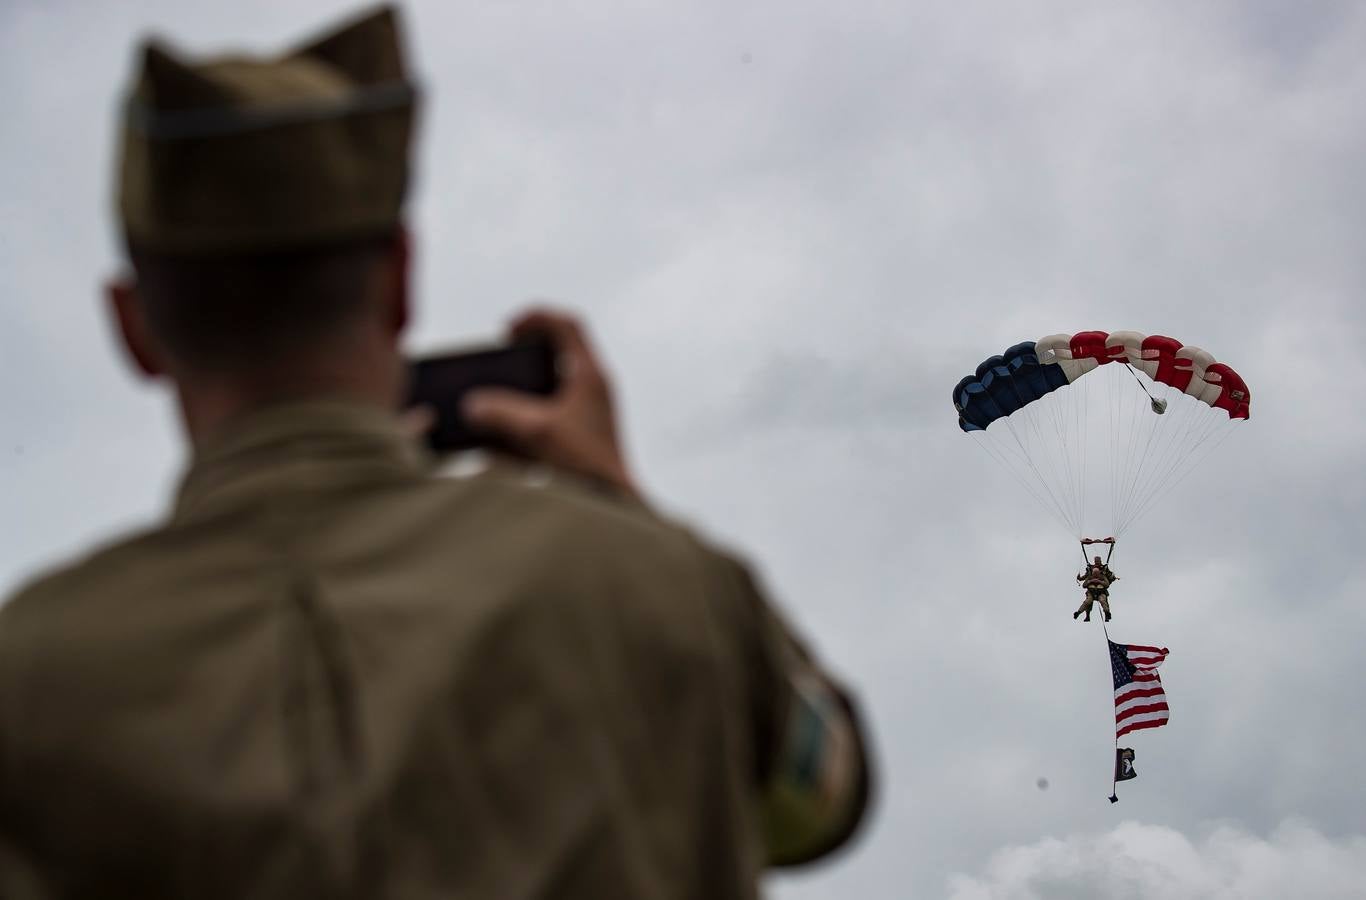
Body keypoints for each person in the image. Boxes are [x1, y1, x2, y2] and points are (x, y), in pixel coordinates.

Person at [0, 7, 871, 899]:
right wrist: (619, 499)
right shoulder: (660, 592)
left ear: (133, 329)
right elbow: (829, 797)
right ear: (399, 280)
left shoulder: (29, 681)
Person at [1073, 555, 1118, 622]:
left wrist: (1101, 581)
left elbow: (1107, 583)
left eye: (1098, 561)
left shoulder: (1103, 573)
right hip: (1091, 591)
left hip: (1101, 591)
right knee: (1088, 602)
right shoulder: (1090, 573)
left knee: (1103, 601)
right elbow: (1084, 584)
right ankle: (1079, 613)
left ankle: (1107, 614)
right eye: (1096, 561)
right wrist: (1084, 579)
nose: (1095, 575)